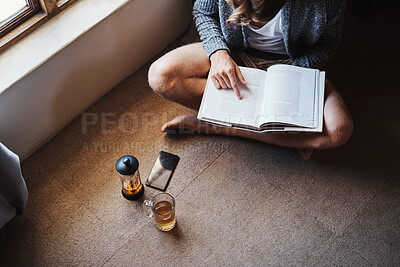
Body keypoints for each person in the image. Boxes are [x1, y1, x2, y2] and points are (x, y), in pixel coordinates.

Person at [148, 0, 354, 160]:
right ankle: (286, 134)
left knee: (338, 129)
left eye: (258, 17)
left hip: (293, 64)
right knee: (161, 77)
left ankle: (213, 123)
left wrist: (295, 75)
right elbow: (202, 11)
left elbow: (327, 45)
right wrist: (218, 53)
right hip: (234, 51)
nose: (253, 23)